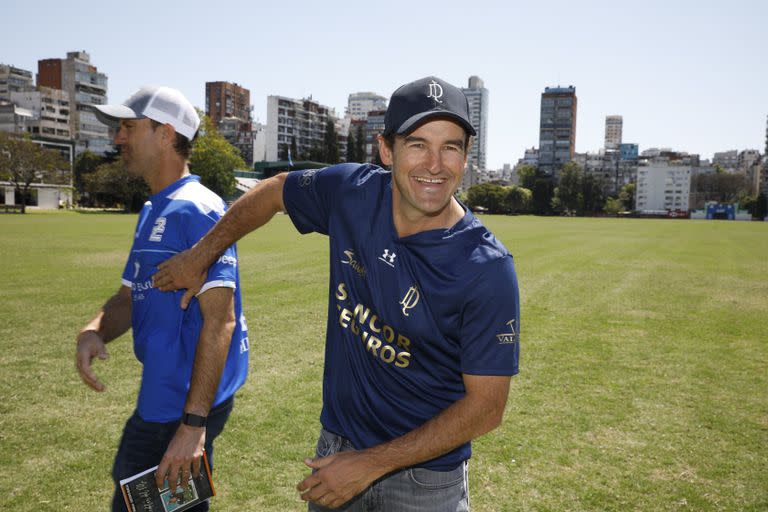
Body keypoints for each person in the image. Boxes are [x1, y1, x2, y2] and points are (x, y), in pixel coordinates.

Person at [153, 76, 519, 511]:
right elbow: (273, 191)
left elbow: (486, 408)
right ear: (387, 150)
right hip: (338, 446)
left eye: (451, 147)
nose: (435, 164)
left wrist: (370, 464)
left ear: (466, 155)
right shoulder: (353, 194)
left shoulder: (487, 269)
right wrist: (201, 254)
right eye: (418, 144)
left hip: (425, 479)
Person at [75, 85, 249, 512]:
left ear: (166, 134)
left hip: (179, 407)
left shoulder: (198, 208)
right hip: (162, 397)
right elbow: (129, 295)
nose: (119, 138)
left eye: (129, 127)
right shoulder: (155, 208)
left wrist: (193, 425)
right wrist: (95, 329)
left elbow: (221, 321)